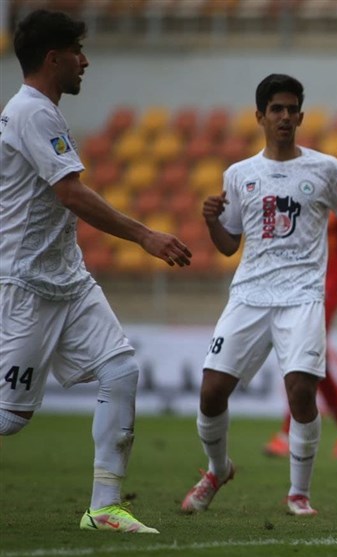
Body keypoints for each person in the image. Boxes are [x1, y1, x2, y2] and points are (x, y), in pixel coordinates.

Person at [0, 10, 193, 534]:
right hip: (26, 284)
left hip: (68, 279)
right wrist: (146, 235)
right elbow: (71, 193)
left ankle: (104, 506)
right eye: (77, 52)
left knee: (121, 371)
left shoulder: (43, 112)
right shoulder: (32, 113)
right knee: (10, 419)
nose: (85, 61)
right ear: (52, 58)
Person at [180, 73, 337, 517]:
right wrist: (212, 220)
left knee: (301, 393)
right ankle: (217, 469)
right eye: (277, 109)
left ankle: (298, 493)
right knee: (212, 391)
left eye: (292, 109)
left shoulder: (326, 169)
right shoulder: (239, 175)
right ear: (260, 116)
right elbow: (229, 244)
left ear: (302, 116)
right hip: (249, 295)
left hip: (303, 295)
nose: (285, 116)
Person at [263, 215, 337, 459]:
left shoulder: (335, 204)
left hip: (325, 292)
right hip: (299, 289)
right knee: (315, 360)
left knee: (306, 356)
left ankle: (287, 434)